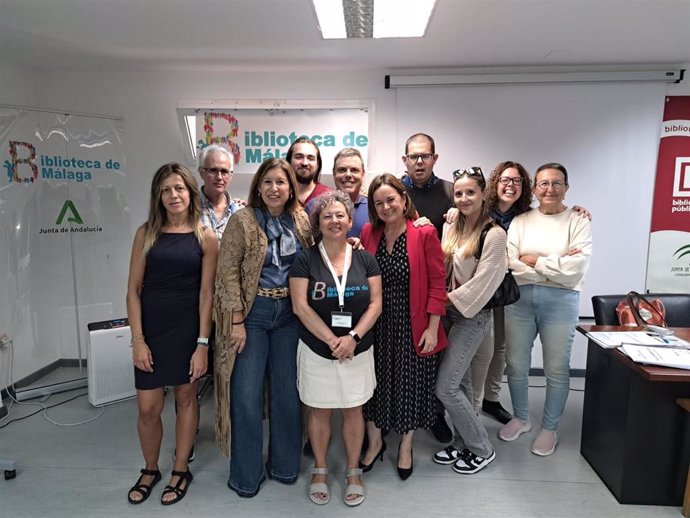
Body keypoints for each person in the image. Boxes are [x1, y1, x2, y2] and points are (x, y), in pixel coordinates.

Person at [214, 158, 314, 497]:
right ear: (258, 186)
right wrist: (237, 321)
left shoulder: (300, 220)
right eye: (268, 182)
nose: (274, 188)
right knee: (246, 396)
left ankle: (285, 467)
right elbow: (227, 273)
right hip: (252, 315)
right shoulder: (242, 221)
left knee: (288, 395)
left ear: (291, 189)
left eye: (281, 182)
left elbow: (315, 261)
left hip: (289, 314)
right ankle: (246, 475)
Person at [126, 163, 218, 505]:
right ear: (158, 196)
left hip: (187, 331)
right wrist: (138, 339)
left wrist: (202, 344)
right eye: (166, 190)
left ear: (190, 193)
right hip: (151, 331)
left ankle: (181, 469)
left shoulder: (205, 237)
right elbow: (133, 291)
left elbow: (206, 294)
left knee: (185, 399)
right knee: (148, 407)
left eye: (179, 188)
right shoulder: (145, 233)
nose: (173, 195)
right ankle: (150, 469)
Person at [473, 162, 591, 425]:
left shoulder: (570, 219)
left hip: (539, 298)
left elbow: (576, 270)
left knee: (545, 365)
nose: (550, 189)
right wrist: (558, 262)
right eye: (544, 183)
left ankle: (541, 424)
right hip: (495, 294)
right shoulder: (501, 216)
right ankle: (491, 411)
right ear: (536, 189)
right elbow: (511, 263)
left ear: (566, 188)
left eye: (557, 183)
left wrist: (536, 261)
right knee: (497, 358)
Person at [290, 190, 382, 506]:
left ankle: (353, 470)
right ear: (318, 221)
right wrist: (332, 340)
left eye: (340, 215)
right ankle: (320, 468)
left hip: (357, 347)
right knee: (319, 408)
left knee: (354, 408)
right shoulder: (305, 259)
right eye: (327, 216)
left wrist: (352, 338)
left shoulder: (365, 258)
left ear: (348, 220)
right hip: (317, 349)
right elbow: (300, 306)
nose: (334, 220)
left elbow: (376, 303)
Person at [359, 173, 448, 480]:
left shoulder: (423, 233)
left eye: (391, 200)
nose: (385, 207)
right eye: (379, 202)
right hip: (376, 325)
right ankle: (373, 443)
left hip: (414, 324)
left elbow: (438, 283)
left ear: (404, 199)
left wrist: (433, 327)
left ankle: (406, 446)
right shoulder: (369, 232)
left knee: (409, 387)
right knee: (375, 386)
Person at [432, 167, 505, 475]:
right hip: (448, 314)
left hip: (471, 316)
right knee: (459, 384)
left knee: (445, 388)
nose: (463, 198)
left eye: (470, 192)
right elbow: (441, 264)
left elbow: (483, 284)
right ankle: (463, 444)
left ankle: (482, 448)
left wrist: (439, 302)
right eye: (459, 193)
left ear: (483, 195)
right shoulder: (453, 226)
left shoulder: (495, 234)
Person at [399, 133, 454, 443]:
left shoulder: (449, 192)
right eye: (413, 156)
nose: (419, 161)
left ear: (435, 158)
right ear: (404, 160)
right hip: (397, 289)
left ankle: (434, 414)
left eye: (425, 156)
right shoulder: (395, 190)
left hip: (434, 287)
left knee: (431, 358)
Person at [197, 144, 244, 241]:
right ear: (201, 173)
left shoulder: (242, 211)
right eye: (213, 170)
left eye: (224, 171)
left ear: (230, 175)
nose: (219, 177)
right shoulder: (189, 209)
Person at [286, 137, 332, 206]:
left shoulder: (329, 195)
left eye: (311, 158)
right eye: (299, 157)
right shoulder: (280, 195)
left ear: (318, 164)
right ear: (289, 161)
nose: (305, 163)